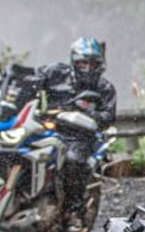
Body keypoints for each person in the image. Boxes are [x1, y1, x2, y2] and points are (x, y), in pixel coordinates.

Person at [42, 37, 117, 219]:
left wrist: (83, 118)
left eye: (92, 63)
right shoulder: (56, 74)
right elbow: (34, 79)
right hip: (51, 130)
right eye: (82, 62)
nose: (87, 67)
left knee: (73, 160)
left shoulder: (104, 88)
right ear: (74, 61)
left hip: (82, 137)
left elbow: (107, 118)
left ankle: (74, 209)